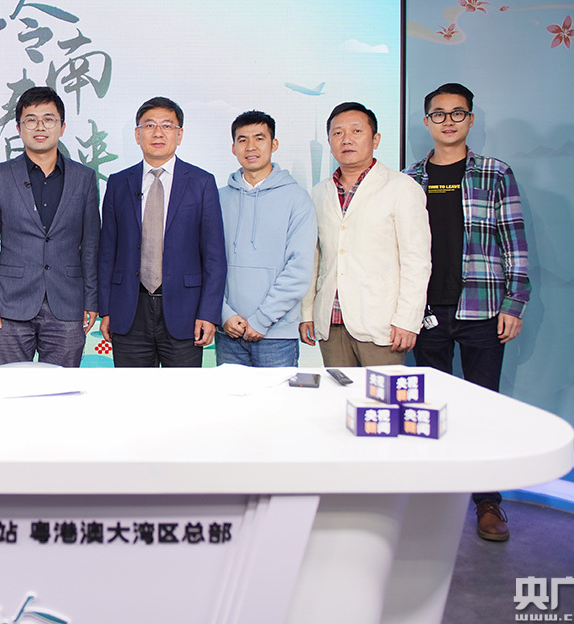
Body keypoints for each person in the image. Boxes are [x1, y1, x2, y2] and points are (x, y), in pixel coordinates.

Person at [406, 82, 531, 542]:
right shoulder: (409, 179)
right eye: (439, 114)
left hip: (482, 307)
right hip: (425, 312)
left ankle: (487, 502)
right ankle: (436, 500)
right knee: (430, 410)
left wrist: (514, 302)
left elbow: (513, 238)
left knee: (483, 408)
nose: (448, 121)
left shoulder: (495, 173)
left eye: (457, 113)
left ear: (471, 119)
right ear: (427, 122)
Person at [0, 86, 100, 366]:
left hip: (67, 304)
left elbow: (91, 245)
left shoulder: (84, 178)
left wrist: (91, 299)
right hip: (8, 305)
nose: (40, 127)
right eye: (31, 120)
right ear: (19, 129)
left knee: (62, 388)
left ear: (62, 127)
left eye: (48, 119)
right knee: (8, 385)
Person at [299, 102, 430, 366]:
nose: (346, 139)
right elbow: (313, 259)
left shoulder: (402, 188)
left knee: (379, 393)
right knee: (338, 391)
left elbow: (416, 261)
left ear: (376, 139)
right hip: (331, 322)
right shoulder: (318, 193)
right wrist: (307, 313)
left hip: (382, 324)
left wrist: (408, 320)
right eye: (338, 133)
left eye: (356, 131)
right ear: (329, 142)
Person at [98, 97, 226, 367]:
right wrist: (106, 309)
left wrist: (208, 313)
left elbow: (214, 257)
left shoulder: (201, 183)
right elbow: (107, 252)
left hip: (185, 312)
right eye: (150, 125)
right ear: (137, 134)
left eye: (167, 126)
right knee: (131, 390)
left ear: (179, 135)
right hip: (129, 310)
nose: (158, 133)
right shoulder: (119, 183)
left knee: (182, 392)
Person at [215, 110, 316, 367]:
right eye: (242, 140)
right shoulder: (218, 198)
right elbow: (206, 263)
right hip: (228, 331)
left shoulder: (297, 199)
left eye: (259, 138)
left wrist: (262, 320)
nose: (250, 147)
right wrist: (224, 314)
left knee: (278, 395)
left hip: (277, 335)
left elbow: (299, 269)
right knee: (231, 395)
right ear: (233, 147)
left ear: (274, 144)